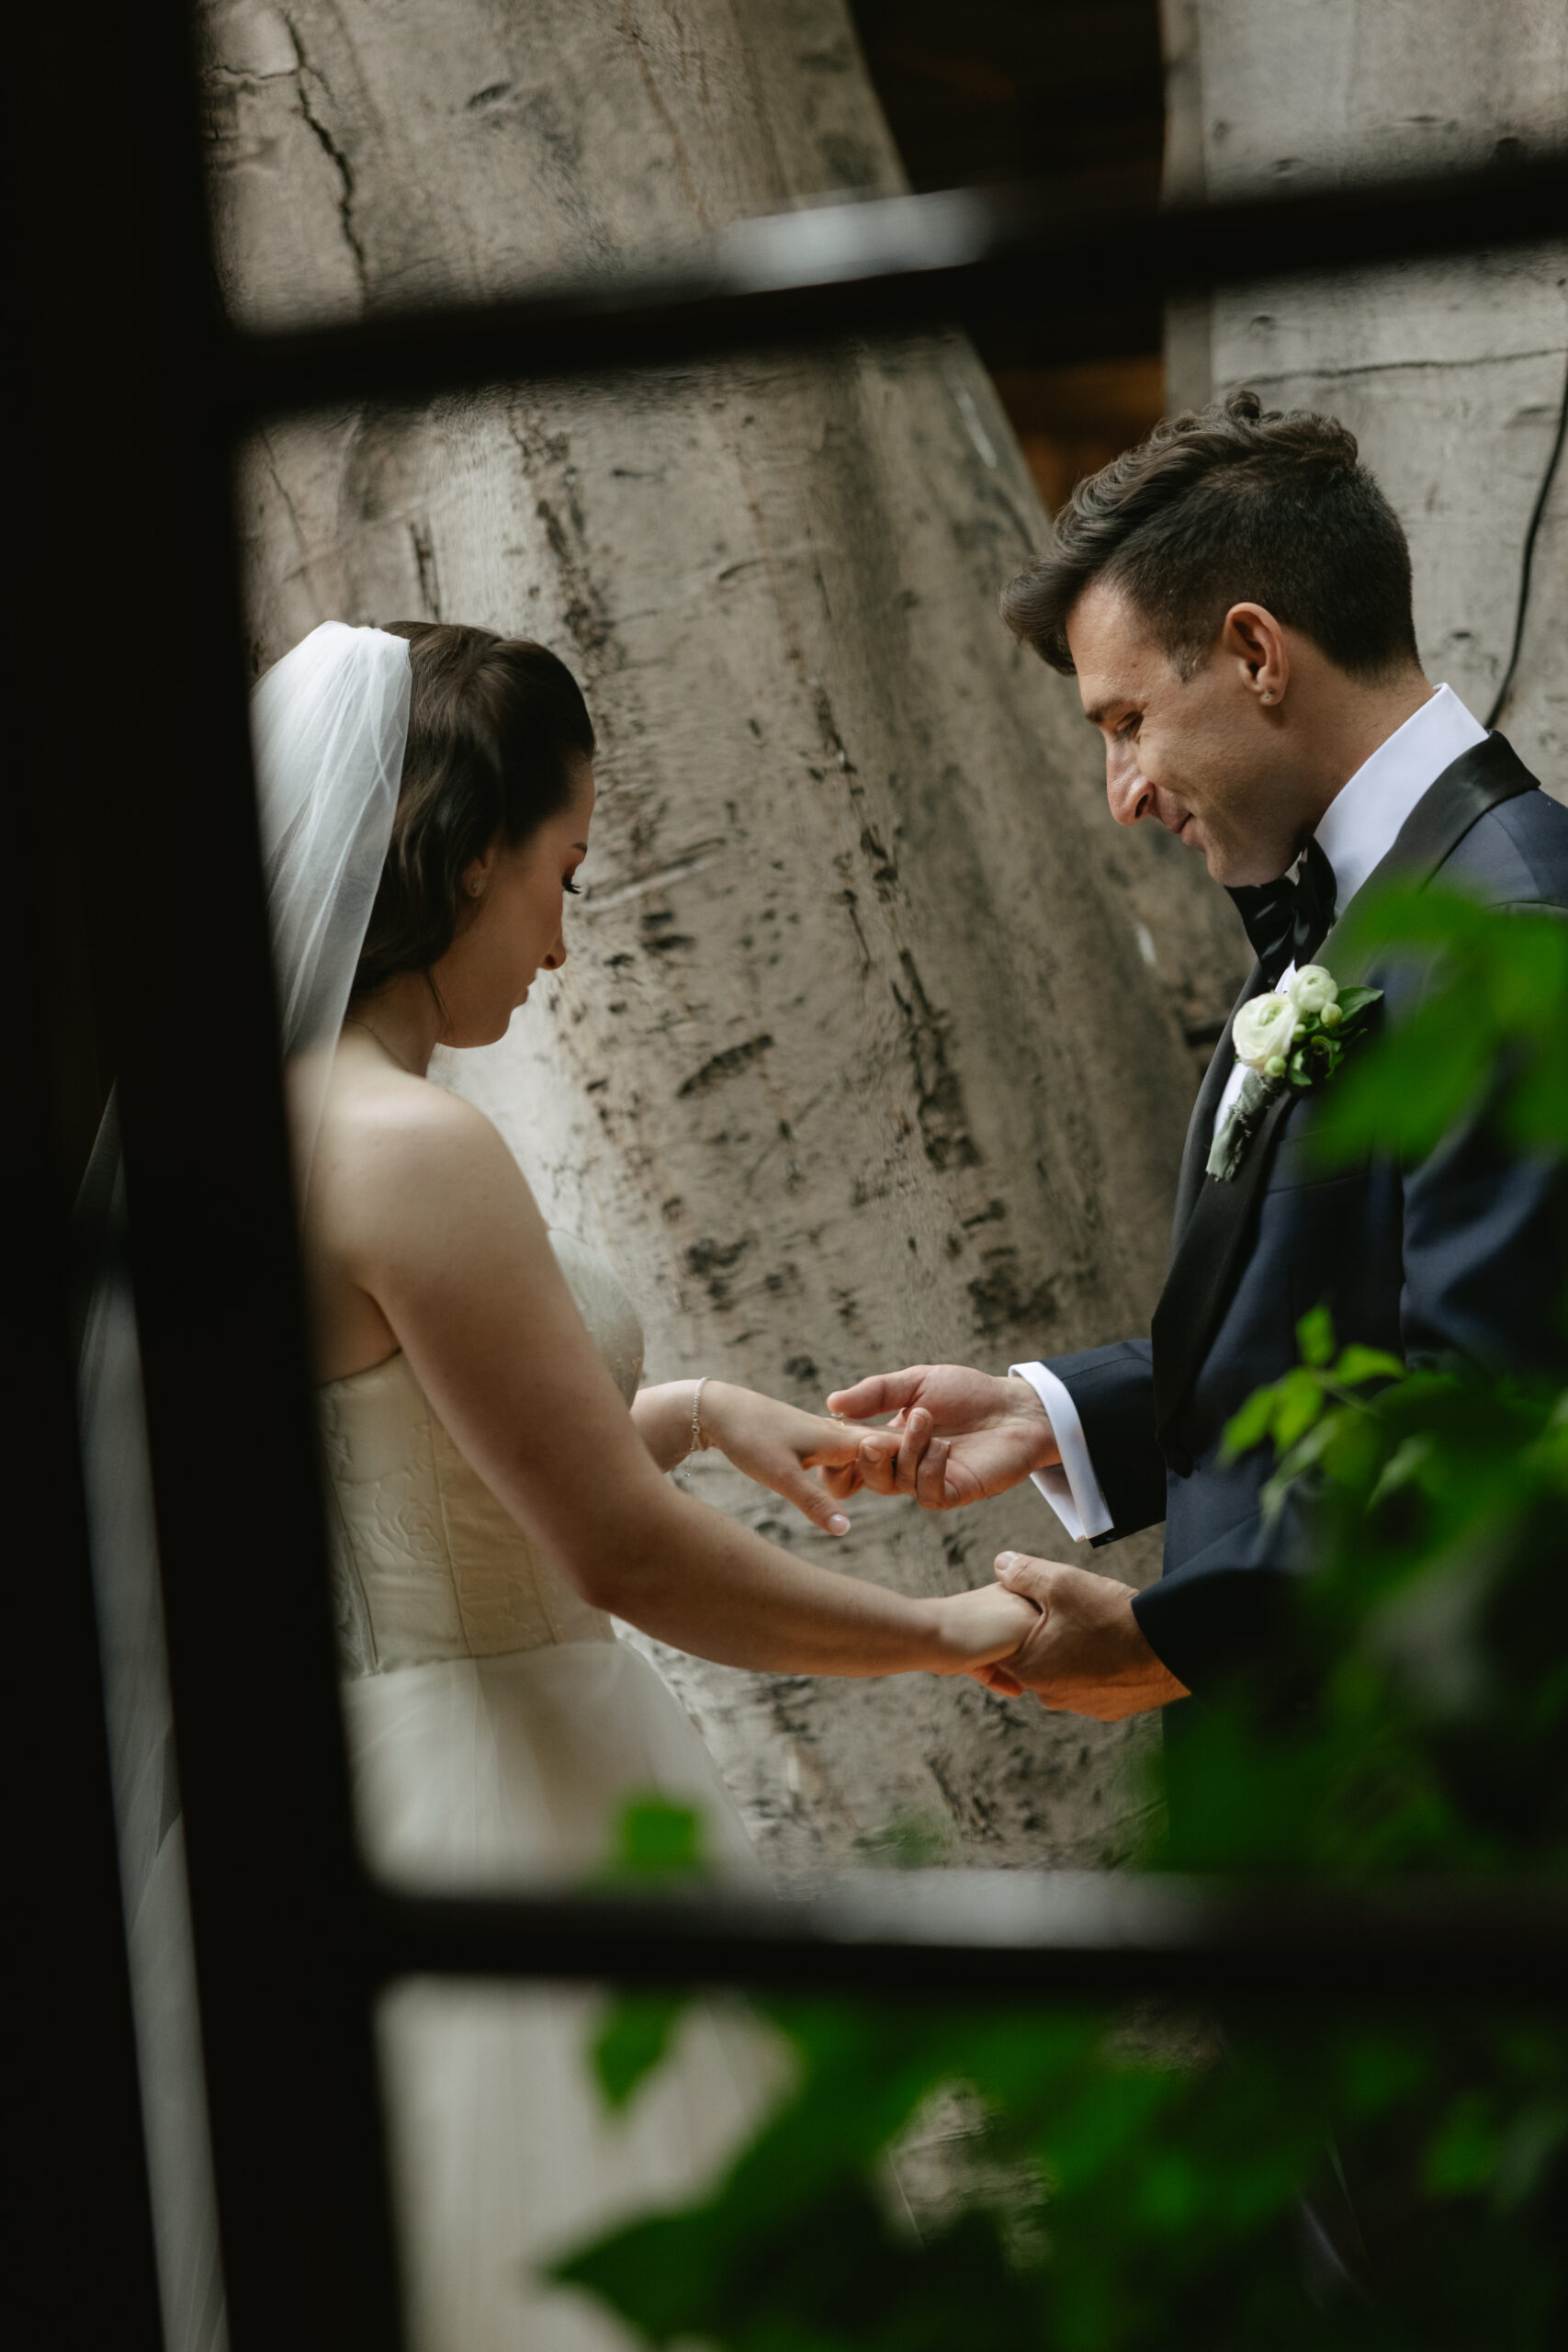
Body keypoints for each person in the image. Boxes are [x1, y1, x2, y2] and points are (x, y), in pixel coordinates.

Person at [254, 615, 1036, 2352]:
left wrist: (685, 1408)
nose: (559, 938)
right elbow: (619, 1559)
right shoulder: (410, 1150)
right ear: (467, 864)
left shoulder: (286, 1123)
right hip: (513, 1791)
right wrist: (946, 1628)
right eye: (562, 875)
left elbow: (416, 1441)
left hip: (385, 1775)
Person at [829, 390, 1568, 1721]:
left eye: (1125, 724)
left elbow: (1491, 1428)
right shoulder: (1350, 901)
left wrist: (1176, 1637)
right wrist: (1058, 1411)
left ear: (1255, 653)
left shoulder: (1513, 932)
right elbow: (1333, 1321)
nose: (1123, 796)